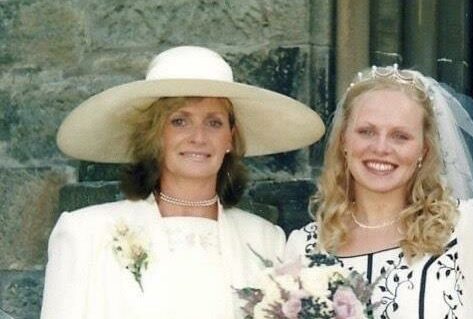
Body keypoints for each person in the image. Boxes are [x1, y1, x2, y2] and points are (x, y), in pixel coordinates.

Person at [40, 46, 325, 319]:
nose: (198, 137)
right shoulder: (85, 233)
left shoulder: (266, 240)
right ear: (154, 135)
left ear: (230, 138)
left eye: (214, 122)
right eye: (179, 121)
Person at [284, 65, 473, 318]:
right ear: (344, 141)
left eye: (400, 136)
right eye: (366, 131)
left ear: (423, 151)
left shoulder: (463, 225)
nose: (381, 148)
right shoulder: (305, 246)